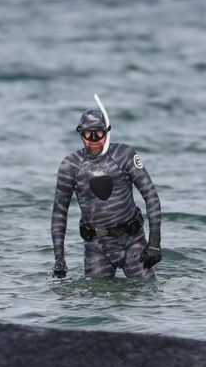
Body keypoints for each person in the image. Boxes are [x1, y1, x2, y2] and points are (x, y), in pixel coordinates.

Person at [51, 101, 162, 279]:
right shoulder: (70, 165)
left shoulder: (124, 155)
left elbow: (151, 196)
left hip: (133, 242)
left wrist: (155, 243)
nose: (94, 139)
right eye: (89, 133)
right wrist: (59, 258)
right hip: (96, 248)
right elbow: (59, 213)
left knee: (149, 297)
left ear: (107, 132)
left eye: (99, 133)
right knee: (96, 303)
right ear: (81, 134)